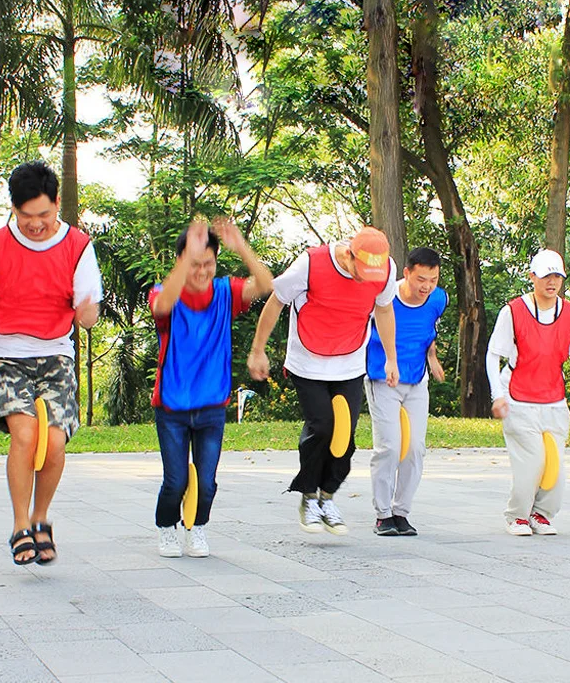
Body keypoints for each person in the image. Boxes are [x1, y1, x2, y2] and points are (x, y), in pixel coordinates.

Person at [0, 160, 102, 565]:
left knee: (54, 442)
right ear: (14, 209)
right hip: (6, 354)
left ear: (57, 203)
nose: (36, 224)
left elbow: (86, 313)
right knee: (25, 435)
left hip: (56, 353)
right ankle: (21, 525)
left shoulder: (78, 246)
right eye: (26, 216)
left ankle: (41, 520)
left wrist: (87, 312)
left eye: (44, 214)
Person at [247, 226, 398, 535]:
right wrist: (258, 350)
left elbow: (383, 310)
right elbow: (276, 301)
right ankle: (308, 495)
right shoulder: (311, 264)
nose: (366, 278)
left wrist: (391, 359)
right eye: (362, 270)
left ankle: (327, 496)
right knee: (322, 427)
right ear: (349, 255)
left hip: (350, 360)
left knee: (345, 437)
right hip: (308, 361)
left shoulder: (385, 270)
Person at [150, 218, 273, 558]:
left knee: (206, 482)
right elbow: (162, 306)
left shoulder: (224, 293)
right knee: (175, 480)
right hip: (172, 407)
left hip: (211, 406)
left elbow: (265, 284)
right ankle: (166, 527)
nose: (202, 271)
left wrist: (242, 247)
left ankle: (197, 526)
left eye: (208, 263)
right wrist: (187, 255)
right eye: (194, 264)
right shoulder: (164, 294)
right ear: (180, 263)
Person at [486, 249, 570, 536]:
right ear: (532, 277)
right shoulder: (513, 311)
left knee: (555, 466)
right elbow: (493, 355)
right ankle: (517, 516)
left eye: (557, 276)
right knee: (532, 462)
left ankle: (542, 514)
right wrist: (496, 395)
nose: (552, 281)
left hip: (554, 401)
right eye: (546, 275)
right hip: (518, 398)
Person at [366, 247, 447, 537]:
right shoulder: (384, 297)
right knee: (389, 446)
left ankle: (401, 512)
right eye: (421, 279)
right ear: (407, 273)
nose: (426, 286)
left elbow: (430, 330)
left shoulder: (438, 299)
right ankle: (382, 514)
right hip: (382, 377)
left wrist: (432, 358)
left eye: (433, 280)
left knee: (415, 448)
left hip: (416, 380)